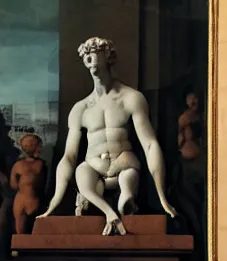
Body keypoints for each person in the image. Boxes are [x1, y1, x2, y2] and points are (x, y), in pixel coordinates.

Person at [38, 36, 176, 236]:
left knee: (127, 182)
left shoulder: (131, 98)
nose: (89, 57)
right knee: (82, 173)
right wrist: (53, 204)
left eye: (95, 52)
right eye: (86, 54)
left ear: (109, 56)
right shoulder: (81, 108)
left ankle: (124, 201)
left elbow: (150, 145)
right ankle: (109, 212)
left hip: (124, 163)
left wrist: (163, 198)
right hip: (93, 167)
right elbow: (69, 156)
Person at [10, 129, 47, 234]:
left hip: (35, 200)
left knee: (35, 232)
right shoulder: (18, 165)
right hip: (22, 201)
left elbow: (44, 184)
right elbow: (13, 184)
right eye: (26, 145)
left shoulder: (41, 165)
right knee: (21, 231)